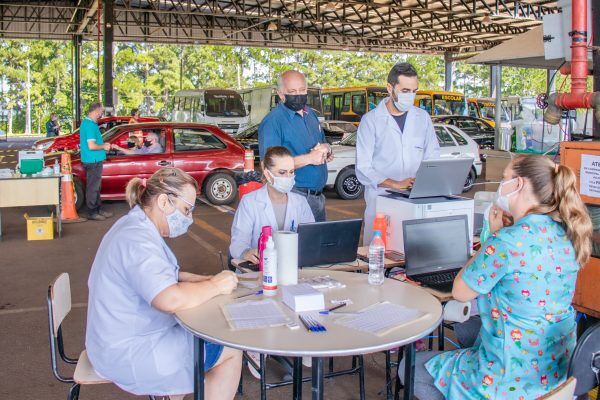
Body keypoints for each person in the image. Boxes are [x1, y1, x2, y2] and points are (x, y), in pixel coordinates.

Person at [400, 155, 593, 399]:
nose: (500, 186)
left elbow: (460, 291)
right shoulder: (567, 234)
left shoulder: (506, 241)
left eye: (504, 179)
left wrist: (490, 241)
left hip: (508, 379)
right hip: (558, 372)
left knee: (411, 367)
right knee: (469, 330)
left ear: (519, 184)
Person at [86, 168, 242, 400]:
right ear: (163, 201)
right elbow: (169, 299)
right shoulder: (137, 241)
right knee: (231, 348)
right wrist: (217, 286)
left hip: (115, 339)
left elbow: (164, 275)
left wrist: (204, 281)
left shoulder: (133, 225)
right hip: (130, 350)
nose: (188, 218)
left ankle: (172, 394)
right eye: (186, 209)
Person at [356, 62, 440, 245]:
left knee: (411, 255)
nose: (410, 96)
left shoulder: (422, 118)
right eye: (405, 91)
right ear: (390, 88)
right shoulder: (371, 121)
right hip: (381, 202)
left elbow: (433, 156)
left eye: (414, 91)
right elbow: (363, 168)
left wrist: (423, 180)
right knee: (380, 255)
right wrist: (395, 183)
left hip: (415, 200)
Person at [258, 70, 332, 222]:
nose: (298, 95)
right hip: (293, 196)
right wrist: (310, 158)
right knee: (295, 244)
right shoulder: (273, 122)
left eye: (302, 90)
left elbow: (322, 142)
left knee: (316, 244)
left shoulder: (311, 115)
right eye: (292, 91)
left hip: (318, 198)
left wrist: (326, 150)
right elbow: (268, 165)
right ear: (281, 94)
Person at [230, 146, 314, 263]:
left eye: (291, 172)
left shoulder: (300, 202)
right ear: (268, 174)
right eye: (282, 172)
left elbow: (311, 238)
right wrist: (246, 253)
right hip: (259, 270)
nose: (288, 177)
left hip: (292, 266)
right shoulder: (250, 202)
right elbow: (237, 243)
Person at [79, 102, 113, 221]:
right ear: (96, 111)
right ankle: (92, 212)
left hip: (94, 159)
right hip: (92, 159)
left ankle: (97, 209)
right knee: (93, 187)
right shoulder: (89, 125)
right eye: (101, 111)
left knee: (96, 186)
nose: (101, 114)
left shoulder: (90, 124)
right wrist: (104, 146)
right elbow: (92, 146)